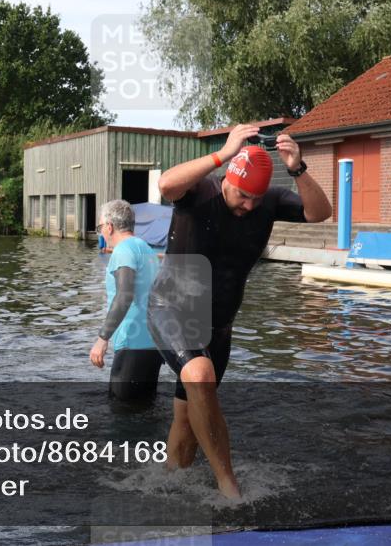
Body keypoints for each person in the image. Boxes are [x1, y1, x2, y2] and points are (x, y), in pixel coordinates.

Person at [147, 125, 332, 498]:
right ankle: (230, 490)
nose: (249, 205)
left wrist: (297, 169)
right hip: (172, 310)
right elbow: (166, 185)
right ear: (228, 179)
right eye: (243, 195)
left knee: (188, 423)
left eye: (256, 199)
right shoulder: (201, 192)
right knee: (200, 374)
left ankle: (165, 490)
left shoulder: (269, 201)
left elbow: (320, 213)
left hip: (219, 328)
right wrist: (222, 153)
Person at [89, 200, 162, 401]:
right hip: (154, 344)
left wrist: (102, 339)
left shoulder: (123, 250)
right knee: (145, 408)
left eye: (100, 228)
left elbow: (124, 295)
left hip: (133, 344)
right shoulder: (146, 249)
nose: (101, 233)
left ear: (109, 227)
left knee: (122, 409)